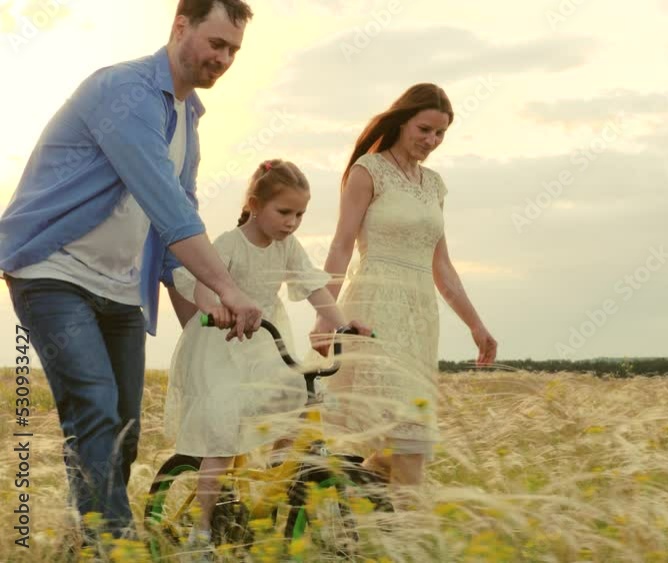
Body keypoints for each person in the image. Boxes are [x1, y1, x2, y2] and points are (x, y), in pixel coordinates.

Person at [0, 0, 260, 538]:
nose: (224, 59)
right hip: (52, 271)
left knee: (125, 430)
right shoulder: (124, 91)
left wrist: (204, 312)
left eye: (233, 50)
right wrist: (229, 286)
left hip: (121, 290)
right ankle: (114, 546)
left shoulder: (187, 117)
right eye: (216, 43)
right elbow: (171, 208)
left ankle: (86, 539)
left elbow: (167, 240)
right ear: (180, 26)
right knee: (94, 408)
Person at [164, 159, 372, 548]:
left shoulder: (288, 247)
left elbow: (314, 287)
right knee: (223, 438)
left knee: (299, 398)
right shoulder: (229, 243)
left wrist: (340, 323)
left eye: (300, 214)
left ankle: (280, 469)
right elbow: (203, 284)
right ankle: (202, 530)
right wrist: (215, 308)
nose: (292, 222)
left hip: (264, 342)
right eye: (284, 212)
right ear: (255, 205)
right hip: (222, 346)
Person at [311, 83, 498, 488]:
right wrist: (324, 315)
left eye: (440, 134)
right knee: (409, 444)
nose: (431, 141)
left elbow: (442, 266)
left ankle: (352, 509)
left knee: (400, 445)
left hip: (419, 320)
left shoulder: (434, 185)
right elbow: (341, 245)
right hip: (375, 309)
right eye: (424, 129)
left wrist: (476, 325)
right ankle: (417, 544)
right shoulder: (368, 170)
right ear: (402, 120)